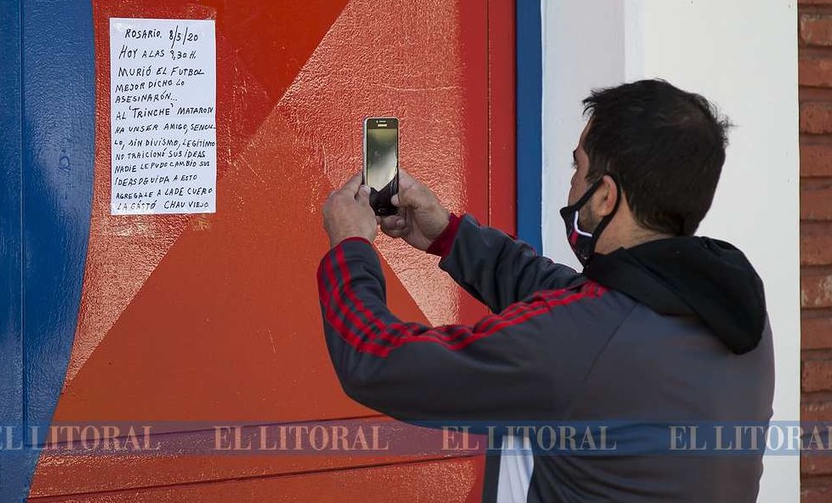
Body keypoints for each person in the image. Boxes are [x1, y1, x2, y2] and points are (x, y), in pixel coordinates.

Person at [318, 79, 774, 502]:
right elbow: (574, 303)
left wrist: (350, 246)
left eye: (578, 167)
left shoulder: (582, 338)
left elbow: (378, 362)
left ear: (604, 197)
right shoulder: (732, 311)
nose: (572, 182)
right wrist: (448, 235)